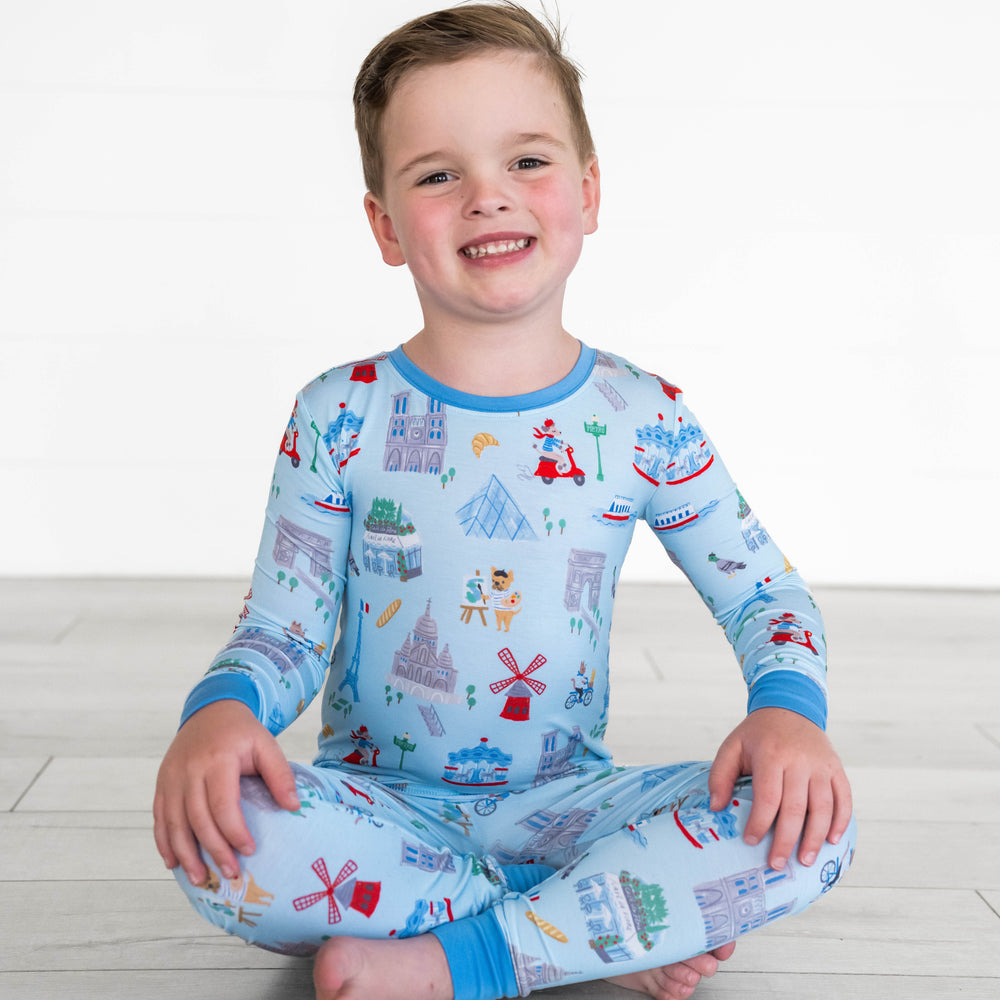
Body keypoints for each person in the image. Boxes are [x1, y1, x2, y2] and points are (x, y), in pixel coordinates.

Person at [153, 5, 856, 999]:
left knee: (810, 826)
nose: (488, 197)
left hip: (567, 802)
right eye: (438, 174)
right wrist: (220, 712)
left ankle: (463, 951)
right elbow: (281, 628)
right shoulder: (340, 415)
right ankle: (592, 919)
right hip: (377, 809)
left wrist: (789, 710)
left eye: (526, 160)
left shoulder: (641, 417)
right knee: (222, 833)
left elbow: (764, 596)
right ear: (386, 225)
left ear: (589, 189)